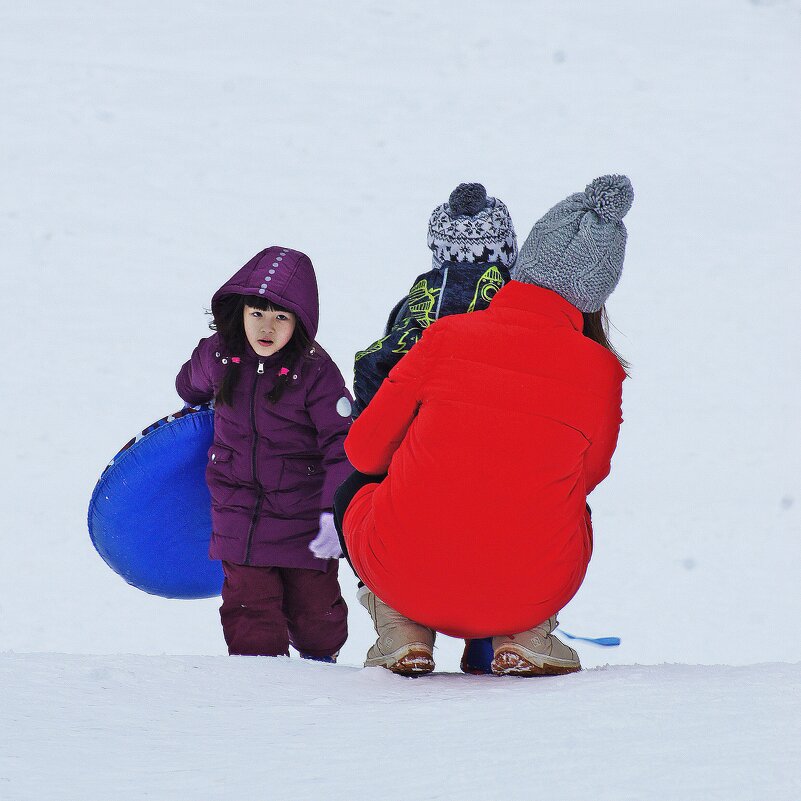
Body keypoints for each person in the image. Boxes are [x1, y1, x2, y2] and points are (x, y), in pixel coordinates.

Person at [333, 175, 634, 676]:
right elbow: (588, 476)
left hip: (406, 573)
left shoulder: (448, 334)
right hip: (526, 590)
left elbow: (364, 452)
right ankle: (527, 634)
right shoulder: (602, 370)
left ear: (524, 263)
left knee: (354, 489)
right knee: (568, 507)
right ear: (596, 292)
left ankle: (400, 627)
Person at [176, 246, 353, 660]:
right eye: (257, 313)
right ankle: (257, 692)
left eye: (281, 317)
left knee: (316, 618)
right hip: (238, 514)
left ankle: (321, 672)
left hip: (303, 520)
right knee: (249, 615)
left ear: (300, 323)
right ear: (239, 312)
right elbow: (188, 385)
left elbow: (342, 444)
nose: (266, 327)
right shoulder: (218, 355)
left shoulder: (315, 371)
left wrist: (334, 513)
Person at [352, 182, 518, 417]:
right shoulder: (529, 314)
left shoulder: (412, 310)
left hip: (421, 445)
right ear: (509, 255)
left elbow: (372, 370)